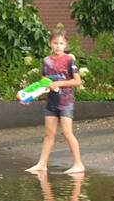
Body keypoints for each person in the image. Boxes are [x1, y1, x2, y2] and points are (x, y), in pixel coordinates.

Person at [26, 29, 84, 175]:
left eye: (61, 43)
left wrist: (59, 84)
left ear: (66, 45)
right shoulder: (46, 61)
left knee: (67, 132)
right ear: (50, 44)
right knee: (48, 134)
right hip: (51, 102)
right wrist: (36, 91)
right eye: (55, 43)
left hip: (66, 102)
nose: (58, 46)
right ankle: (42, 164)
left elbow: (77, 81)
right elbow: (44, 80)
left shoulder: (70, 60)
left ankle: (78, 164)